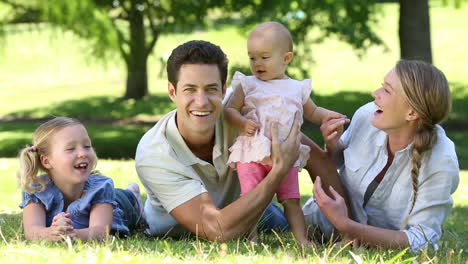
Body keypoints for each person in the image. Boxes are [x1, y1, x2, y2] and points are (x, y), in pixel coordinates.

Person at [135, 40, 306, 241]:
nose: (201, 101)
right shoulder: (154, 153)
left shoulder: (242, 115)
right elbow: (217, 230)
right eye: (190, 89)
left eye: (211, 89)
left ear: (224, 90)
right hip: (183, 229)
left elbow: (312, 155)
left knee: (295, 224)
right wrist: (278, 172)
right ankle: (130, 200)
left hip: (252, 207)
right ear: (172, 92)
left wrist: (343, 222)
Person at [302, 60, 460, 252]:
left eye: (387, 90)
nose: (374, 94)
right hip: (315, 220)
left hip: (364, 242)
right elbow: (338, 163)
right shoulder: (368, 115)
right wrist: (333, 145)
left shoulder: (441, 161)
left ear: (411, 112)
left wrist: (347, 226)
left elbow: (421, 240)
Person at [224, 21, 345, 246]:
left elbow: (314, 111)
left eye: (264, 57)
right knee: (251, 198)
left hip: (286, 155)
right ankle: (251, 238)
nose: (257, 63)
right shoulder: (247, 84)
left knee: (291, 200)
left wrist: (328, 116)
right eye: (252, 58)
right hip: (253, 153)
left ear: (286, 58)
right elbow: (229, 110)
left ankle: (302, 240)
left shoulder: (296, 88)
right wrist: (241, 123)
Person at [18, 117, 145, 241]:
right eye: (71, 149)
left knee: (122, 200)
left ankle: (132, 196)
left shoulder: (101, 187)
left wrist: (71, 234)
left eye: (87, 146)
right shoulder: (36, 189)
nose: (82, 153)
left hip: (119, 205)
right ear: (46, 161)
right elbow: (32, 231)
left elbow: (101, 233)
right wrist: (51, 233)